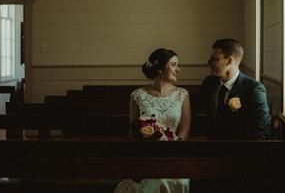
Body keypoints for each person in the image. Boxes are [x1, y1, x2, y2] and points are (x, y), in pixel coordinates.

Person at [114, 48, 191, 193]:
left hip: (174, 154)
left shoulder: (182, 95)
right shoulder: (137, 95)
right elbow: (133, 131)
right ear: (161, 68)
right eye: (173, 65)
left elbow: (184, 131)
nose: (178, 69)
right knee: (146, 181)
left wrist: (172, 152)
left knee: (172, 180)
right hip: (145, 155)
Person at [199, 38, 271, 139]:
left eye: (215, 59)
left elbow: (262, 131)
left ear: (229, 61)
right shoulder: (209, 83)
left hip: (238, 151)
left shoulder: (253, 89)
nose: (209, 63)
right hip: (211, 147)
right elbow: (195, 106)